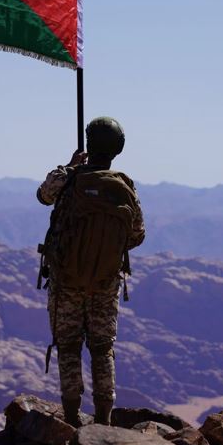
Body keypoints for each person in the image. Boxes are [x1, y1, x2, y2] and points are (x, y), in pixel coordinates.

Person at [37, 116, 145, 427]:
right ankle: (103, 420)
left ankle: (71, 417)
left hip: (66, 280)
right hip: (105, 283)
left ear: (89, 143)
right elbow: (136, 236)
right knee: (102, 348)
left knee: (69, 346)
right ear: (117, 150)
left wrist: (70, 167)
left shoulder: (70, 180)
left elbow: (44, 195)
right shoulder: (124, 187)